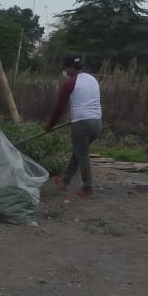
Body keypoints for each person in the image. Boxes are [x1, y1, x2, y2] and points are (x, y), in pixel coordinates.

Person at [45, 54, 102, 198]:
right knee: (78, 151)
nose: (64, 70)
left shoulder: (69, 84)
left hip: (82, 123)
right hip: (97, 122)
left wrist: (50, 125)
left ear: (71, 67)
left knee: (82, 155)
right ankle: (65, 181)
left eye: (65, 67)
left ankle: (87, 188)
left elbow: (59, 107)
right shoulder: (92, 79)